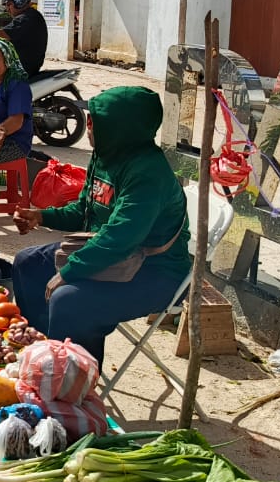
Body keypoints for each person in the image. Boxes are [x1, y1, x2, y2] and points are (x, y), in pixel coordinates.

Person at [11, 86, 190, 367]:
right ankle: (45, 352)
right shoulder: (105, 154)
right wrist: (41, 216)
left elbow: (121, 236)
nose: (89, 127)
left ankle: (75, 379)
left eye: (96, 121)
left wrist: (71, 271)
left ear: (119, 127)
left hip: (154, 271)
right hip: (108, 254)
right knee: (27, 262)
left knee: (68, 300)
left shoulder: (147, 173)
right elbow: (84, 211)